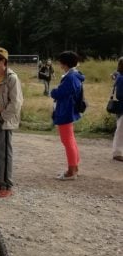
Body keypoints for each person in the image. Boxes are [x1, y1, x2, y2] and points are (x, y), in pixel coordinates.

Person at [0, 47, 23, 198]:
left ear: (3, 61)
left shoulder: (12, 78)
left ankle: (7, 185)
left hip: (4, 122)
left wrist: (1, 118)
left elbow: (16, 103)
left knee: (5, 154)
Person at [50, 51, 84, 179]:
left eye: (60, 62)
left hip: (65, 110)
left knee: (67, 140)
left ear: (65, 63)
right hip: (69, 110)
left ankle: (71, 171)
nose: (59, 64)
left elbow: (60, 93)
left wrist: (54, 91)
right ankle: (74, 167)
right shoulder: (75, 75)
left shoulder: (70, 77)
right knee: (70, 139)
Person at [112, 57, 123, 162]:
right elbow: (120, 94)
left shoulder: (119, 76)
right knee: (120, 130)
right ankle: (117, 153)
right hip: (122, 107)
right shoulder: (121, 78)